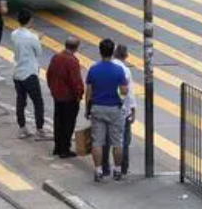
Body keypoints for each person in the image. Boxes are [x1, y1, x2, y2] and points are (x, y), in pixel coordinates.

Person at [86, 38, 129, 183]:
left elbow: (89, 92)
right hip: (114, 109)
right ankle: (117, 170)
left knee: (97, 142)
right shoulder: (119, 70)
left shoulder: (93, 69)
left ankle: (98, 171)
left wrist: (88, 108)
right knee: (117, 142)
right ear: (113, 53)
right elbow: (124, 90)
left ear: (100, 51)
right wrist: (120, 99)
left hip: (97, 108)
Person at [11, 9, 51, 139]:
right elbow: (38, 52)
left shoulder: (14, 34)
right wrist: (38, 39)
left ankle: (22, 128)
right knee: (38, 102)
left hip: (17, 72)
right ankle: (40, 129)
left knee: (20, 101)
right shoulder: (32, 37)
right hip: (30, 73)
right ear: (30, 21)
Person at [102, 45, 136, 177]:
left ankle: (104, 168)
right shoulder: (125, 71)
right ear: (126, 56)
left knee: (105, 140)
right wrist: (132, 111)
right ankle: (122, 168)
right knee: (123, 141)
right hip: (121, 110)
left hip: (104, 107)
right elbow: (129, 93)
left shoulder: (104, 66)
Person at [47, 36, 84, 158]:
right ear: (76, 48)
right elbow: (75, 81)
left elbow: (49, 74)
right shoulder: (72, 61)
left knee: (58, 122)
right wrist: (79, 94)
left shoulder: (56, 57)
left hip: (57, 95)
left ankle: (57, 147)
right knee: (68, 123)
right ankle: (65, 149)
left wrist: (52, 89)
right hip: (69, 98)